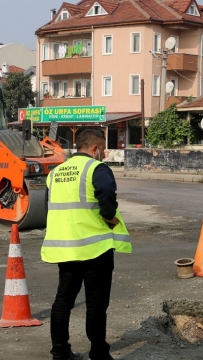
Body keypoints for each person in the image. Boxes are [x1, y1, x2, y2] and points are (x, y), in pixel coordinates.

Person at [41, 129, 132, 360]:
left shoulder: (55, 173)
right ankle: (99, 353)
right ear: (94, 148)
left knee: (63, 301)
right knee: (96, 304)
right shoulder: (96, 168)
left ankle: (60, 353)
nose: (103, 154)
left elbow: (49, 207)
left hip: (65, 248)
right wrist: (110, 216)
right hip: (95, 249)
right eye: (102, 149)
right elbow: (107, 196)